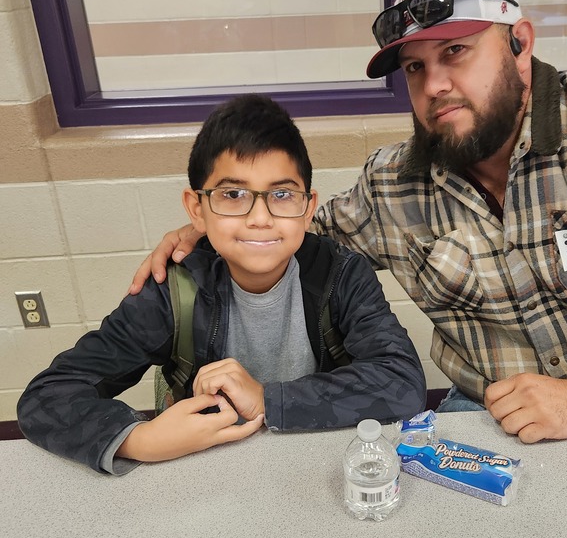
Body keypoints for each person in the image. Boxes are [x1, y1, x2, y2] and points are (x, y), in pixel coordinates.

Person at [129, 0, 567, 445]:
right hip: (489, 417)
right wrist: (205, 232)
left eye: (456, 51)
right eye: (414, 67)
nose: (435, 84)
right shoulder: (392, 184)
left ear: (520, 42)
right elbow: (286, 230)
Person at [17, 94, 426, 474]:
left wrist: (268, 399)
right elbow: (47, 396)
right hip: (203, 468)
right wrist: (139, 439)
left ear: (307, 208)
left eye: (282, 194)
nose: (260, 217)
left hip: (314, 462)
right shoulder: (172, 290)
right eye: (233, 194)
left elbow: (403, 383)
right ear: (197, 209)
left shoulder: (342, 274)